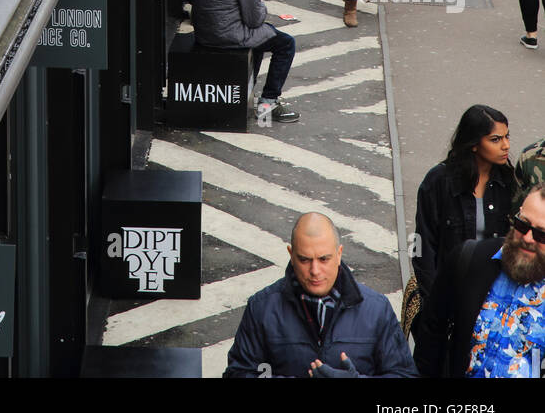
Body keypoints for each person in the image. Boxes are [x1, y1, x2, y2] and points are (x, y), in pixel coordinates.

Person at [223, 212, 417, 378]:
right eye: (304, 259)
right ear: (291, 254)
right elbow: (238, 372)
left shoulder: (377, 309)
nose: (315, 270)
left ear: (339, 254)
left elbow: (404, 374)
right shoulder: (261, 308)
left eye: (324, 259)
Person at [414, 182, 545, 378]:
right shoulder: (470, 259)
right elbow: (431, 339)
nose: (527, 238)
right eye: (522, 224)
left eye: (541, 234)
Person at [412, 106, 514, 318]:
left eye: (507, 137)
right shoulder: (439, 181)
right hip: (448, 295)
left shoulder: (509, 181)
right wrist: (434, 301)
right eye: (495, 139)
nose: (506, 146)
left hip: (493, 299)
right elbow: (422, 246)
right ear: (474, 144)